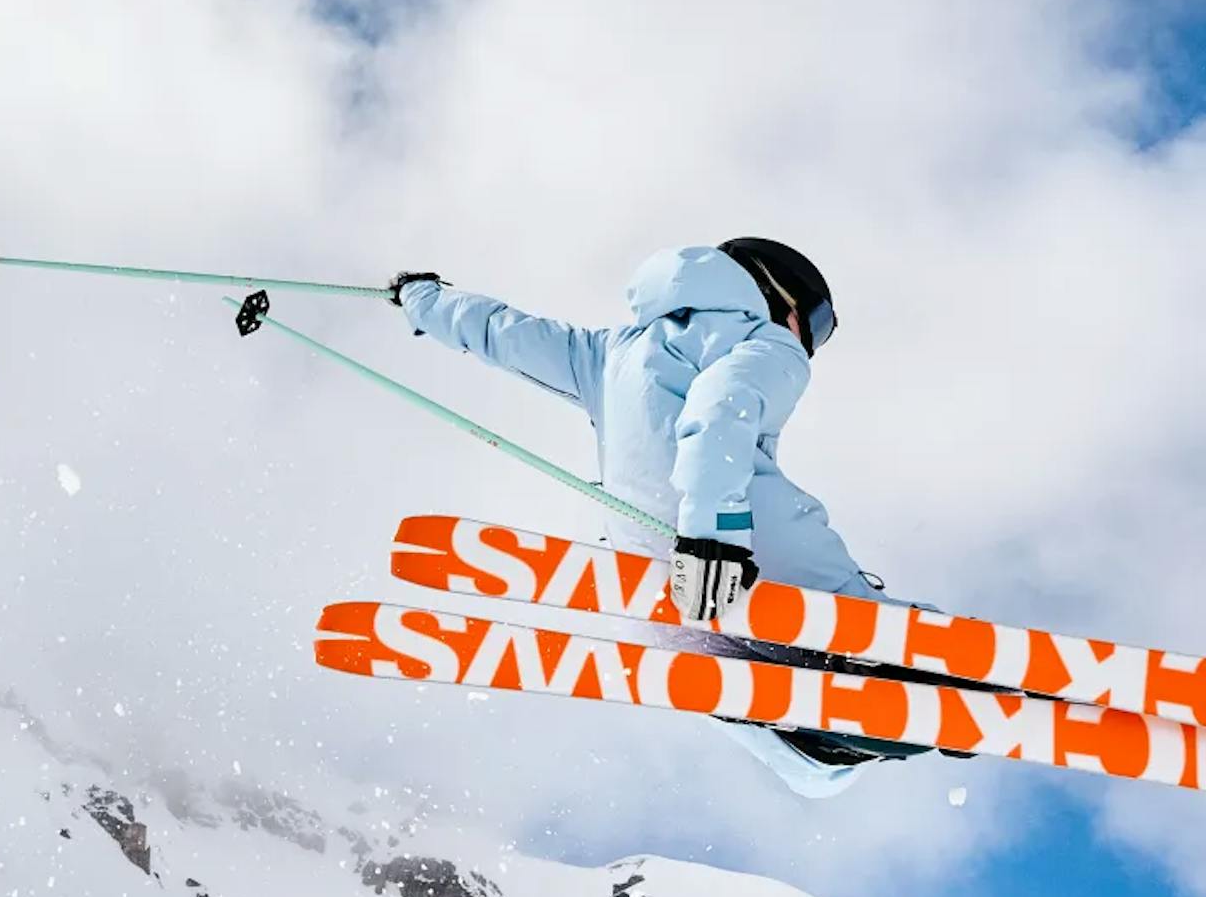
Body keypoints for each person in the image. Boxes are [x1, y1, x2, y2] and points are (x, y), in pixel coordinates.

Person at [384, 239, 902, 799]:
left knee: (802, 760)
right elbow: (721, 404)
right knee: (847, 608)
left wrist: (421, 299)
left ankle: (816, 739)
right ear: (780, 296)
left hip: (655, 585)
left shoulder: (605, 353)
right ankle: (888, 661)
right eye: (817, 326)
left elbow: (498, 331)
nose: (811, 345)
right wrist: (716, 534)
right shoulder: (767, 342)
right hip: (738, 543)